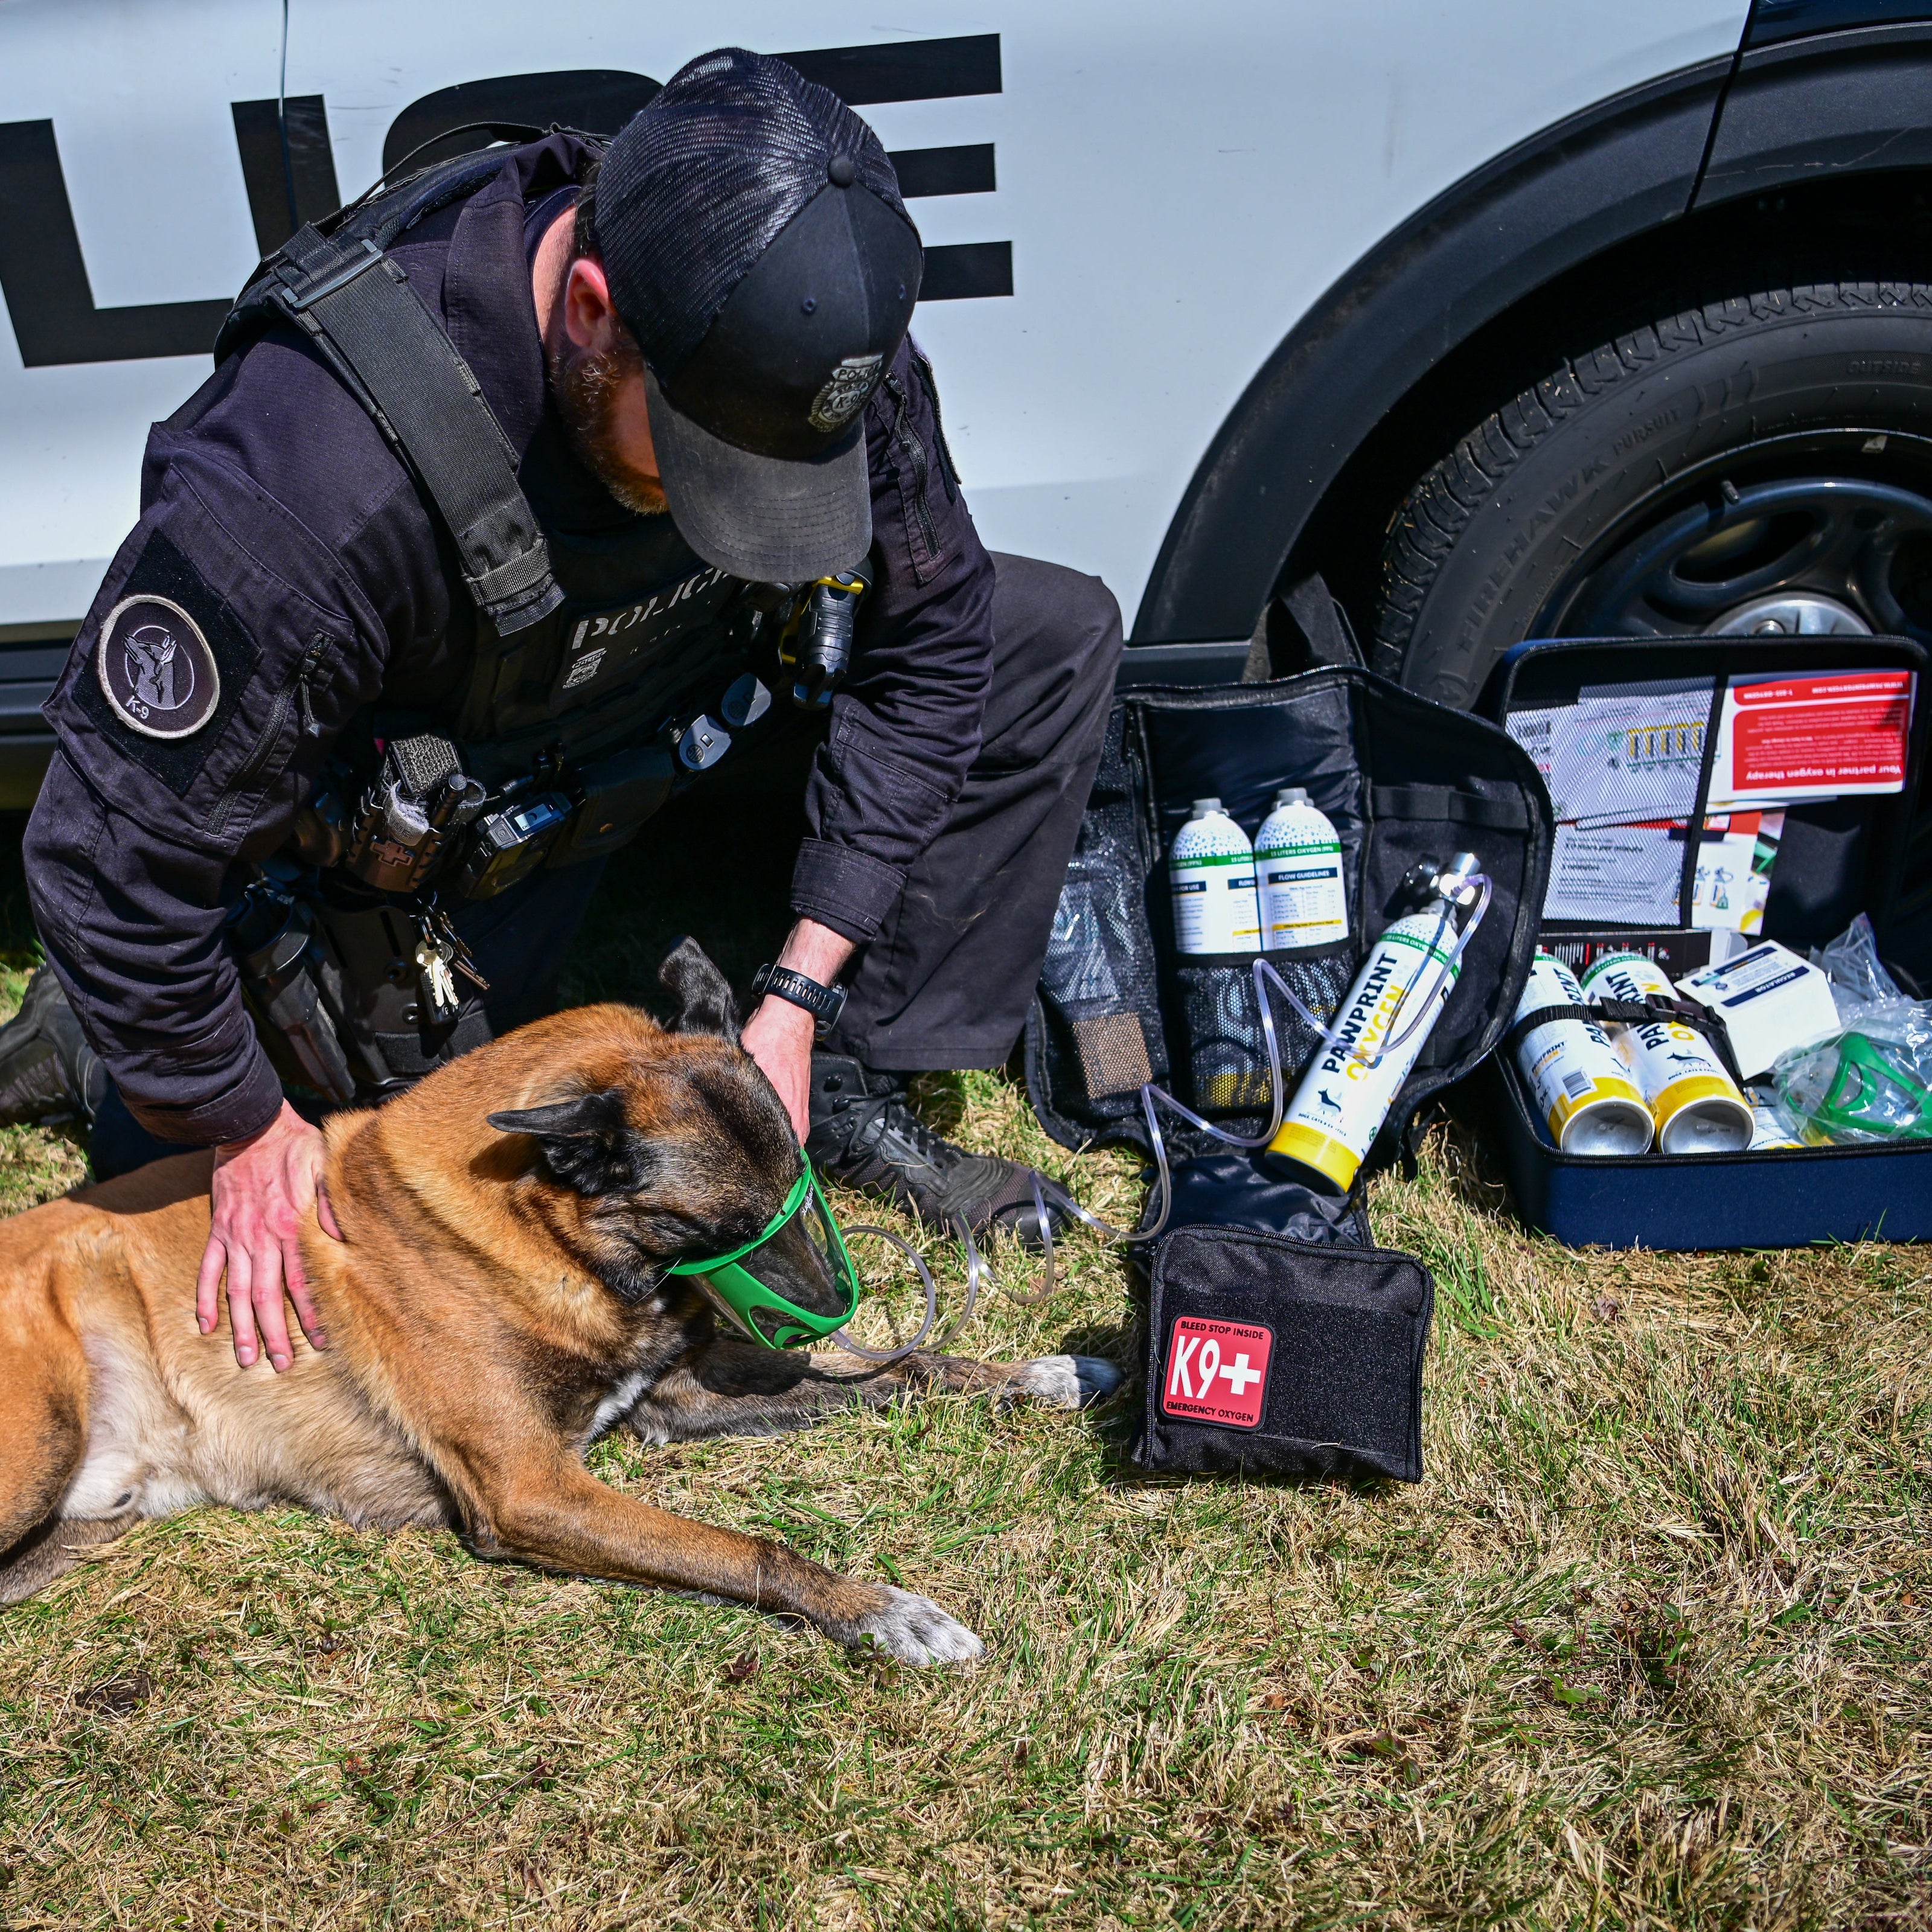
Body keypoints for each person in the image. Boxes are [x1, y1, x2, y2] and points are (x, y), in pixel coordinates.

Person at [0, 48, 1122, 1375]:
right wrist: (238, 1125)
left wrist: (796, 996)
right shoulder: (315, 476)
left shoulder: (801, 326)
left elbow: (936, 639)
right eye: (706, 464)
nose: (741, 514)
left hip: (633, 727)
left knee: (1048, 637)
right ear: (592, 310)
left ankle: (841, 1086)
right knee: (383, 1187)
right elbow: (108, 853)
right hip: (438, 831)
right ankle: (97, 1041)